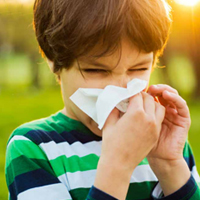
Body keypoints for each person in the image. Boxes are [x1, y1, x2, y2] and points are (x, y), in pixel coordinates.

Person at [5, 0, 200, 199]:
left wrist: (168, 164)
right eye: (96, 70)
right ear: (53, 61)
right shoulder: (33, 149)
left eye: (138, 69)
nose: (120, 91)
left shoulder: (165, 142)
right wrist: (118, 166)